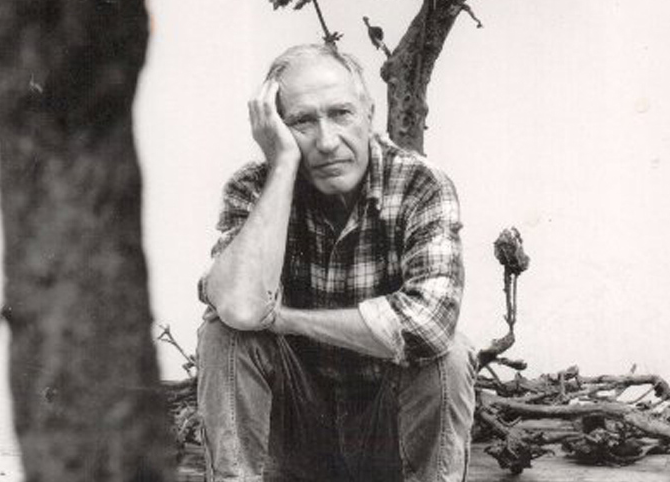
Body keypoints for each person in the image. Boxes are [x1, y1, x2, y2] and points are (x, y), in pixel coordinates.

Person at [196, 43, 475, 482]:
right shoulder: (253, 187)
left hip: (387, 436)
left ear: (369, 113)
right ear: (276, 128)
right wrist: (283, 167)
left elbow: (428, 326)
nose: (327, 142)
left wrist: (285, 319)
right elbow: (238, 308)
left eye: (341, 113)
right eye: (302, 121)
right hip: (292, 437)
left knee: (449, 354)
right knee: (225, 334)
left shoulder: (420, 184)